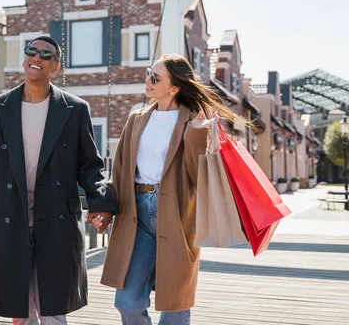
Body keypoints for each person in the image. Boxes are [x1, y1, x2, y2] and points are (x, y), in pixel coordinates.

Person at [0, 36, 118, 324]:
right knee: (21, 308)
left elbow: (90, 166)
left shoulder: (75, 109)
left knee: (53, 308)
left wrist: (102, 203)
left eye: (46, 54)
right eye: (32, 51)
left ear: (56, 67)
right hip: (10, 214)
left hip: (56, 215)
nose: (37, 57)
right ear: (24, 59)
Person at [93, 54, 245, 324]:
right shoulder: (136, 119)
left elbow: (198, 177)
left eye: (155, 78)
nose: (147, 81)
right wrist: (104, 208)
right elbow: (120, 173)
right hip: (136, 216)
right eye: (148, 74)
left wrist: (197, 137)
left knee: (175, 306)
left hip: (177, 215)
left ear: (174, 87)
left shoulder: (194, 122)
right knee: (127, 302)